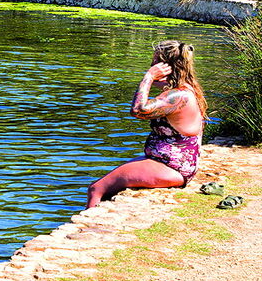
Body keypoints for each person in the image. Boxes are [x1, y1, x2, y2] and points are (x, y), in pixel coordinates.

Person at [86, 40, 207, 208]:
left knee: (96, 188)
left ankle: (89, 232)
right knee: (109, 190)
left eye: (155, 62)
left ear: (166, 66)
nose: (151, 65)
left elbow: (138, 110)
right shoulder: (186, 89)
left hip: (172, 168)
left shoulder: (179, 96)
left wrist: (149, 77)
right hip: (171, 164)